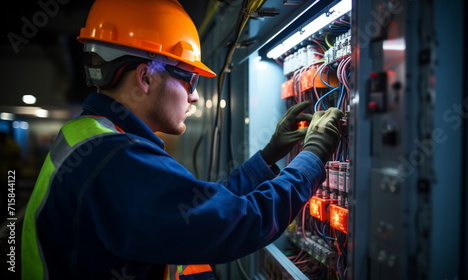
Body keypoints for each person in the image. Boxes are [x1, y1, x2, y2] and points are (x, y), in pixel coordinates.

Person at [21, 0, 344, 279]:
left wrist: (268, 157)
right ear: (146, 77)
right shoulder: (114, 158)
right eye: (189, 80)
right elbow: (235, 223)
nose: (194, 98)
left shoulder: (95, 137)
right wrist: (312, 157)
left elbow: (196, 209)